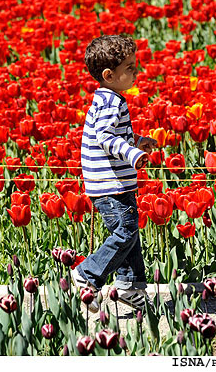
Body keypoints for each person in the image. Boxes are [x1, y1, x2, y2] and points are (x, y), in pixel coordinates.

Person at [72, 35, 156, 312]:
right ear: (109, 74)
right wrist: (133, 155)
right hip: (111, 184)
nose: (136, 72)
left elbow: (114, 136)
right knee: (126, 232)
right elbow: (105, 137)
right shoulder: (111, 102)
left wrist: (136, 141)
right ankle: (88, 274)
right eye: (130, 67)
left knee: (129, 235)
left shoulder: (107, 97)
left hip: (111, 181)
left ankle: (129, 287)